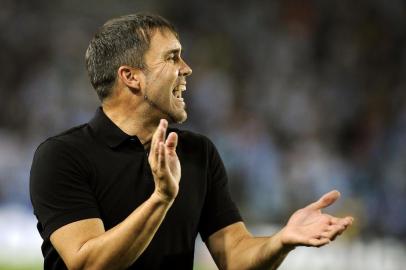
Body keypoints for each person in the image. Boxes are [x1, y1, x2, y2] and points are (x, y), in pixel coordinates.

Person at [30, 13, 353, 270]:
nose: (187, 69)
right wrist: (161, 198)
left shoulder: (198, 153)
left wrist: (282, 240)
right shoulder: (62, 156)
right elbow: (87, 263)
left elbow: (236, 256)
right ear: (131, 77)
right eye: (172, 58)